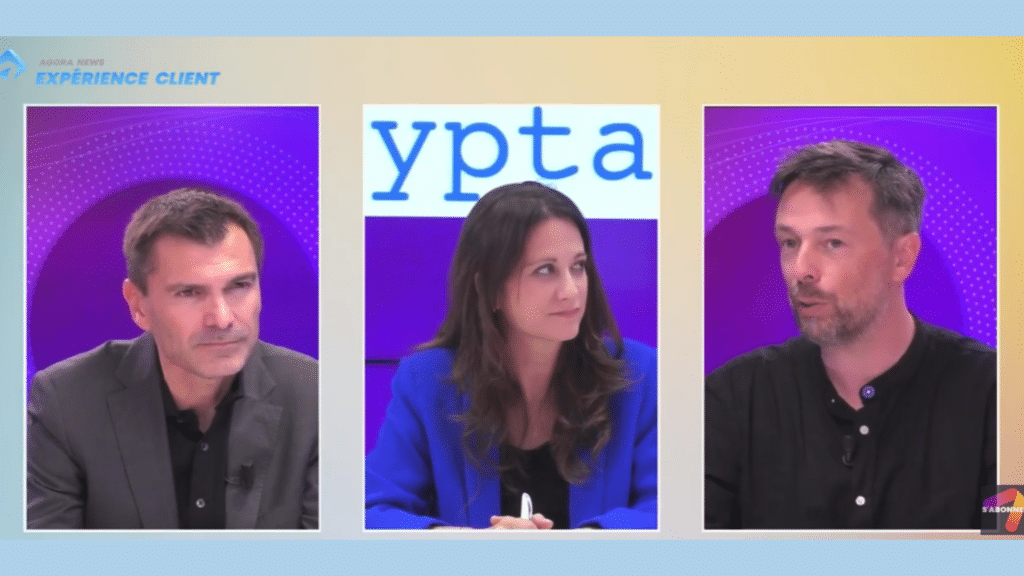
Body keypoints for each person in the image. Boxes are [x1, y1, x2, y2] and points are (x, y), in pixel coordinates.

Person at [705, 140, 996, 529]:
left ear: (902, 258)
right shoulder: (734, 399)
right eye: (790, 242)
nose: (801, 270)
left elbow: (1012, 546)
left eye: (833, 243)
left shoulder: (995, 395)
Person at [365, 181, 657, 530]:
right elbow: (372, 513)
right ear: (489, 288)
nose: (571, 290)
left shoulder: (638, 375)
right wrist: (472, 545)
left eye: (578, 266)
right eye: (545, 270)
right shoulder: (427, 382)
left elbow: (672, 508)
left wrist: (578, 547)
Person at [27, 188, 318, 529]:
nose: (222, 318)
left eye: (239, 286)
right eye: (190, 293)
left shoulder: (316, 396)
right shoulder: (66, 402)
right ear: (138, 304)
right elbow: (47, 555)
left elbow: (331, 554)